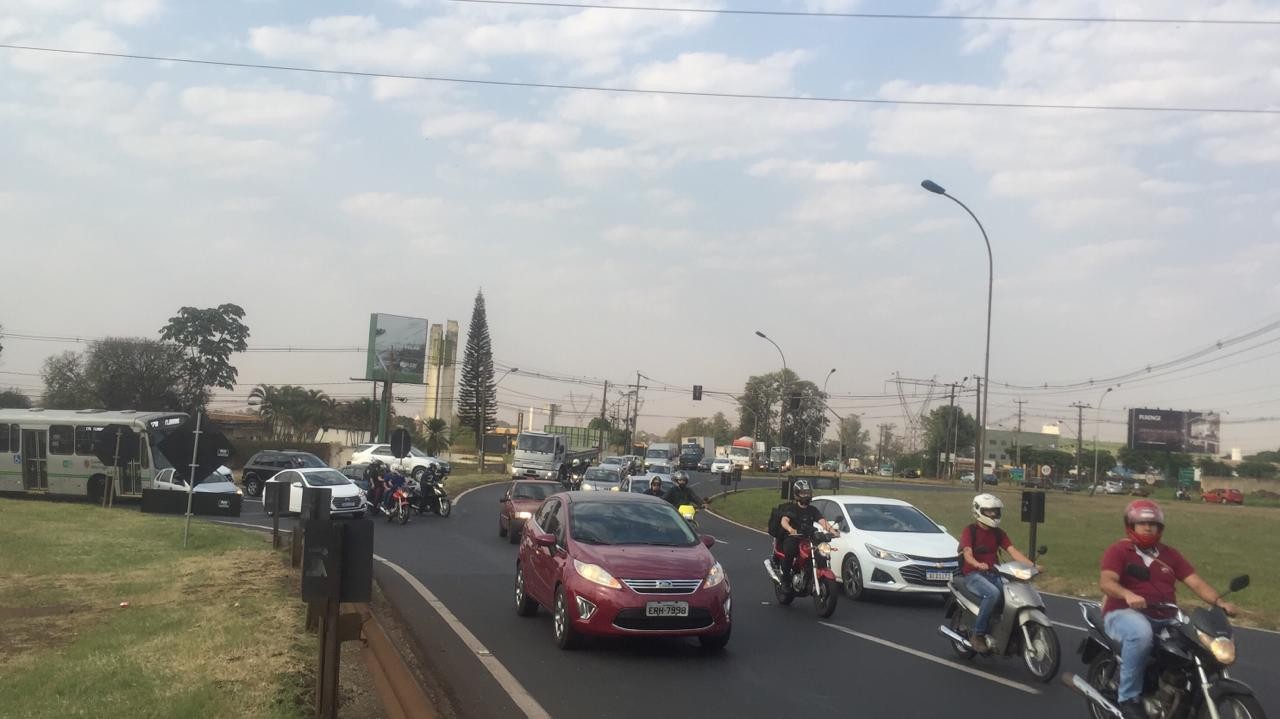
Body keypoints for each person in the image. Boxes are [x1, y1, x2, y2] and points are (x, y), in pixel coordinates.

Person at [1098, 500, 1238, 719]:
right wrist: (1128, 594)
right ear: (1130, 525)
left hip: (1166, 615)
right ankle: (1128, 698)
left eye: (1152, 523)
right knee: (1141, 633)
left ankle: (1180, 692)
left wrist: (1220, 602)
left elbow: (1196, 583)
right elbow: (1107, 582)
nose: (1147, 527)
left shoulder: (1170, 555)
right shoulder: (1119, 551)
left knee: (1196, 643)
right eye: (1141, 523)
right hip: (1123, 614)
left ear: (1160, 527)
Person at [958, 493, 1036, 653]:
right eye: (989, 511)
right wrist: (977, 564)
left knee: (1012, 595)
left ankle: (1003, 631)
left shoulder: (998, 533)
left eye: (995, 511)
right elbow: (967, 553)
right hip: (973, 575)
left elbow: (1013, 552)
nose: (993, 514)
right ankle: (978, 635)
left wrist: (1033, 566)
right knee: (993, 594)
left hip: (994, 573)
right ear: (978, 511)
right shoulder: (970, 531)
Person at [777, 479, 840, 588]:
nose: (806, 495)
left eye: (807, 493)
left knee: (820, 552)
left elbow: (822, 521)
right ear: (797, 494)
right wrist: (791, 529)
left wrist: (833, 531)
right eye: (803, 493)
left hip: (808, 538)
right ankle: (785, 581)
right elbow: (784, 521)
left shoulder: (813, 510)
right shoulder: (792, 508)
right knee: (790, 550)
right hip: (794, 537)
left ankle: (812, 574)